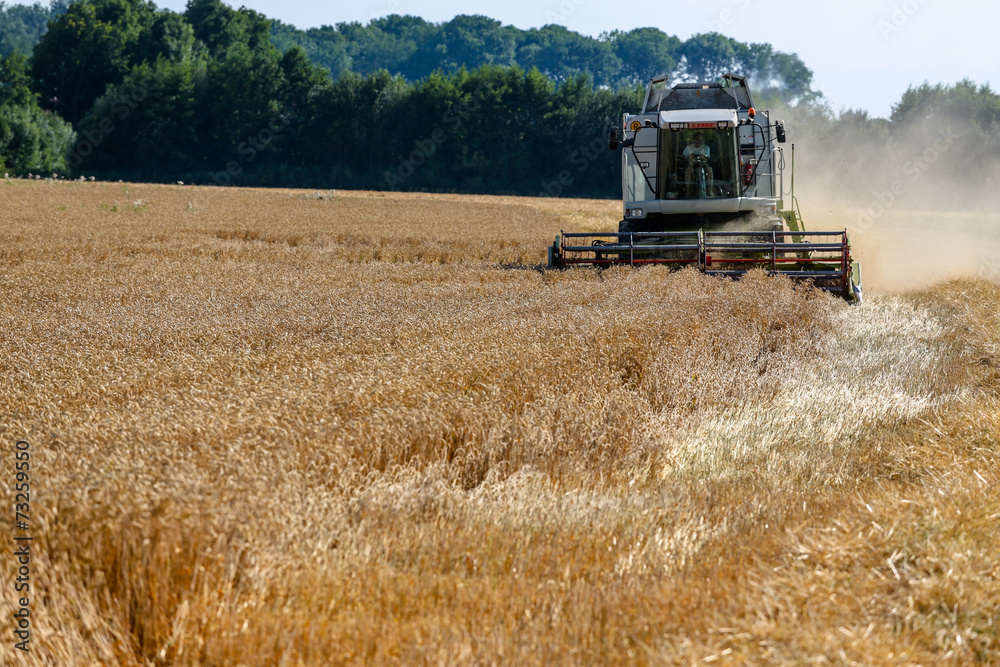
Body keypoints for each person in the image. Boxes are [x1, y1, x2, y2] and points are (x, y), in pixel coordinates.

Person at [682, 132, 714, 196]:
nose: (698, 141)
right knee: (688, 171)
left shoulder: (706, 147)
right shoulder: (689, 147)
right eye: (696, 139)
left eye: (700, 139)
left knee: (709, 170)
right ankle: (688, 190)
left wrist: (700, 156)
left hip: (703, 165)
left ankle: (710, 190)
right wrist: (688, 157)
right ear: (693, 139)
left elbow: (706, 158)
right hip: (692, 165)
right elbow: (683, 157)